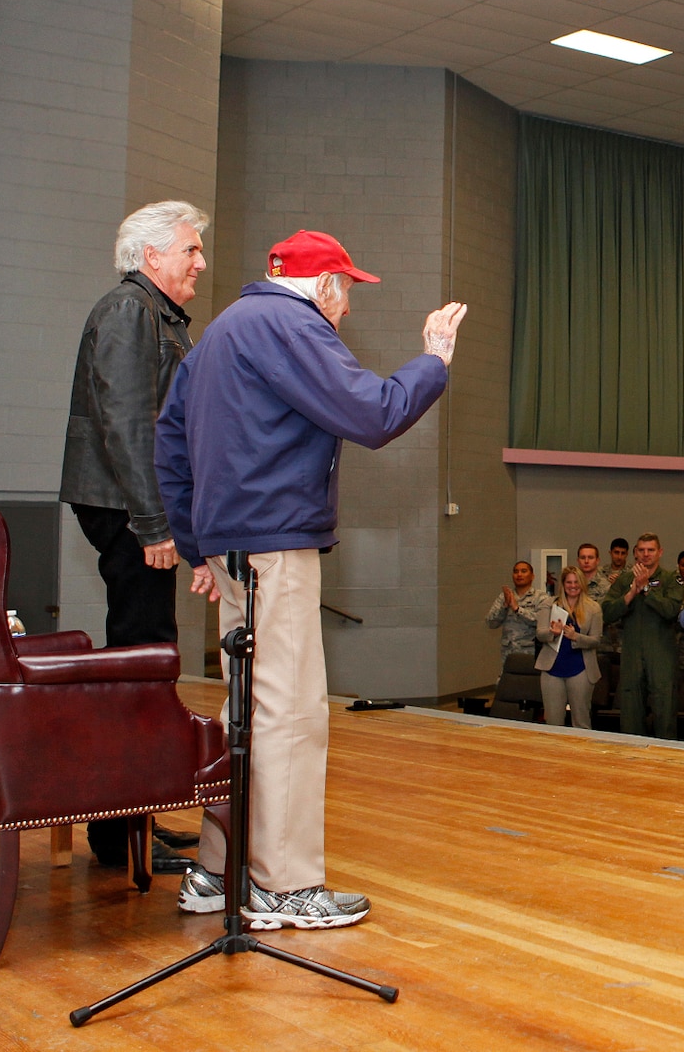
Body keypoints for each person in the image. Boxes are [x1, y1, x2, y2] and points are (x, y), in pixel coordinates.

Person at [157, 227, 467, 929]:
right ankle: (284, 885)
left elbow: (169, 438)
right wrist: (433, 361)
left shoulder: (219, 332)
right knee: (291, 716)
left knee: (246, 714)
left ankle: (216, 870)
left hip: (233, 549)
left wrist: (196, 544)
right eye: (347, 292)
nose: (347, 309)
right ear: (322, 285)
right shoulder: (292, 325)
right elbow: (374, 411)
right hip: (276, 547)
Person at [61, 200, 210, 873]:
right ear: (152, 257)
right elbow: (127, 424)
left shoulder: (151, 312)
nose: (200, 262)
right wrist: (153, 523)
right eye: (190, 250)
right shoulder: (130, 312)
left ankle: (134, 817)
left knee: (147, 667)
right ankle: (118, 833)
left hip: (134, 507)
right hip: (128, 511)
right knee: (139, 670)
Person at [604, 534, 684, 739]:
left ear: (660, 552)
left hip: (661, 655)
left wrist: (647, 588)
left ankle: (666, 760)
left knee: (664, 710)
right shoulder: (624, 579)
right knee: (631, 709)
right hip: (632, 653)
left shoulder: (671, 579)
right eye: (641, 550)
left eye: (650, 550)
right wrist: (632, 593)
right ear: (635, 553)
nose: (646, 554)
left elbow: (671, 610)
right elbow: (607, 613)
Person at [534, 567, 603, 728]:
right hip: (553, 669)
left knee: (581, 719)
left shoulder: (593, 608)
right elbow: (540, 634)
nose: (573, 586)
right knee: (553, 720)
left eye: (576, 582)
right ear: (563, 584)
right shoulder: (549, 605)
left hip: (581, 669)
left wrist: (576, 637)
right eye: (569, 582)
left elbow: (595, 640)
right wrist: (553, 633)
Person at [486, 561, 550, 669]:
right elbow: (491, 623)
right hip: (509, 655)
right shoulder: (504, 597)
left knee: (529, 685)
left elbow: (542, 621)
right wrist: (505, 606)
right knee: (508, 684)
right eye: (516, 572)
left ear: (532, 576)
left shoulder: (541, 598)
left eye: (524, 571)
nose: (519, 574)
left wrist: (518, 609)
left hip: (531, 654)